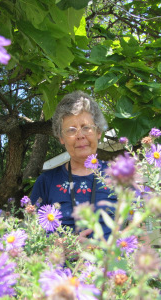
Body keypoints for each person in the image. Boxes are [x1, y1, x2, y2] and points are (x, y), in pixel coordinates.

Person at [30, 91, 117, 241]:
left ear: (98, 132)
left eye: (86, 127)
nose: (80, 135)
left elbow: (141, 228)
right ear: (61, 138)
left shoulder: (120, 176)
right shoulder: (46, 182)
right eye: (71, 130)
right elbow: (30, 238)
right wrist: (62, 247)